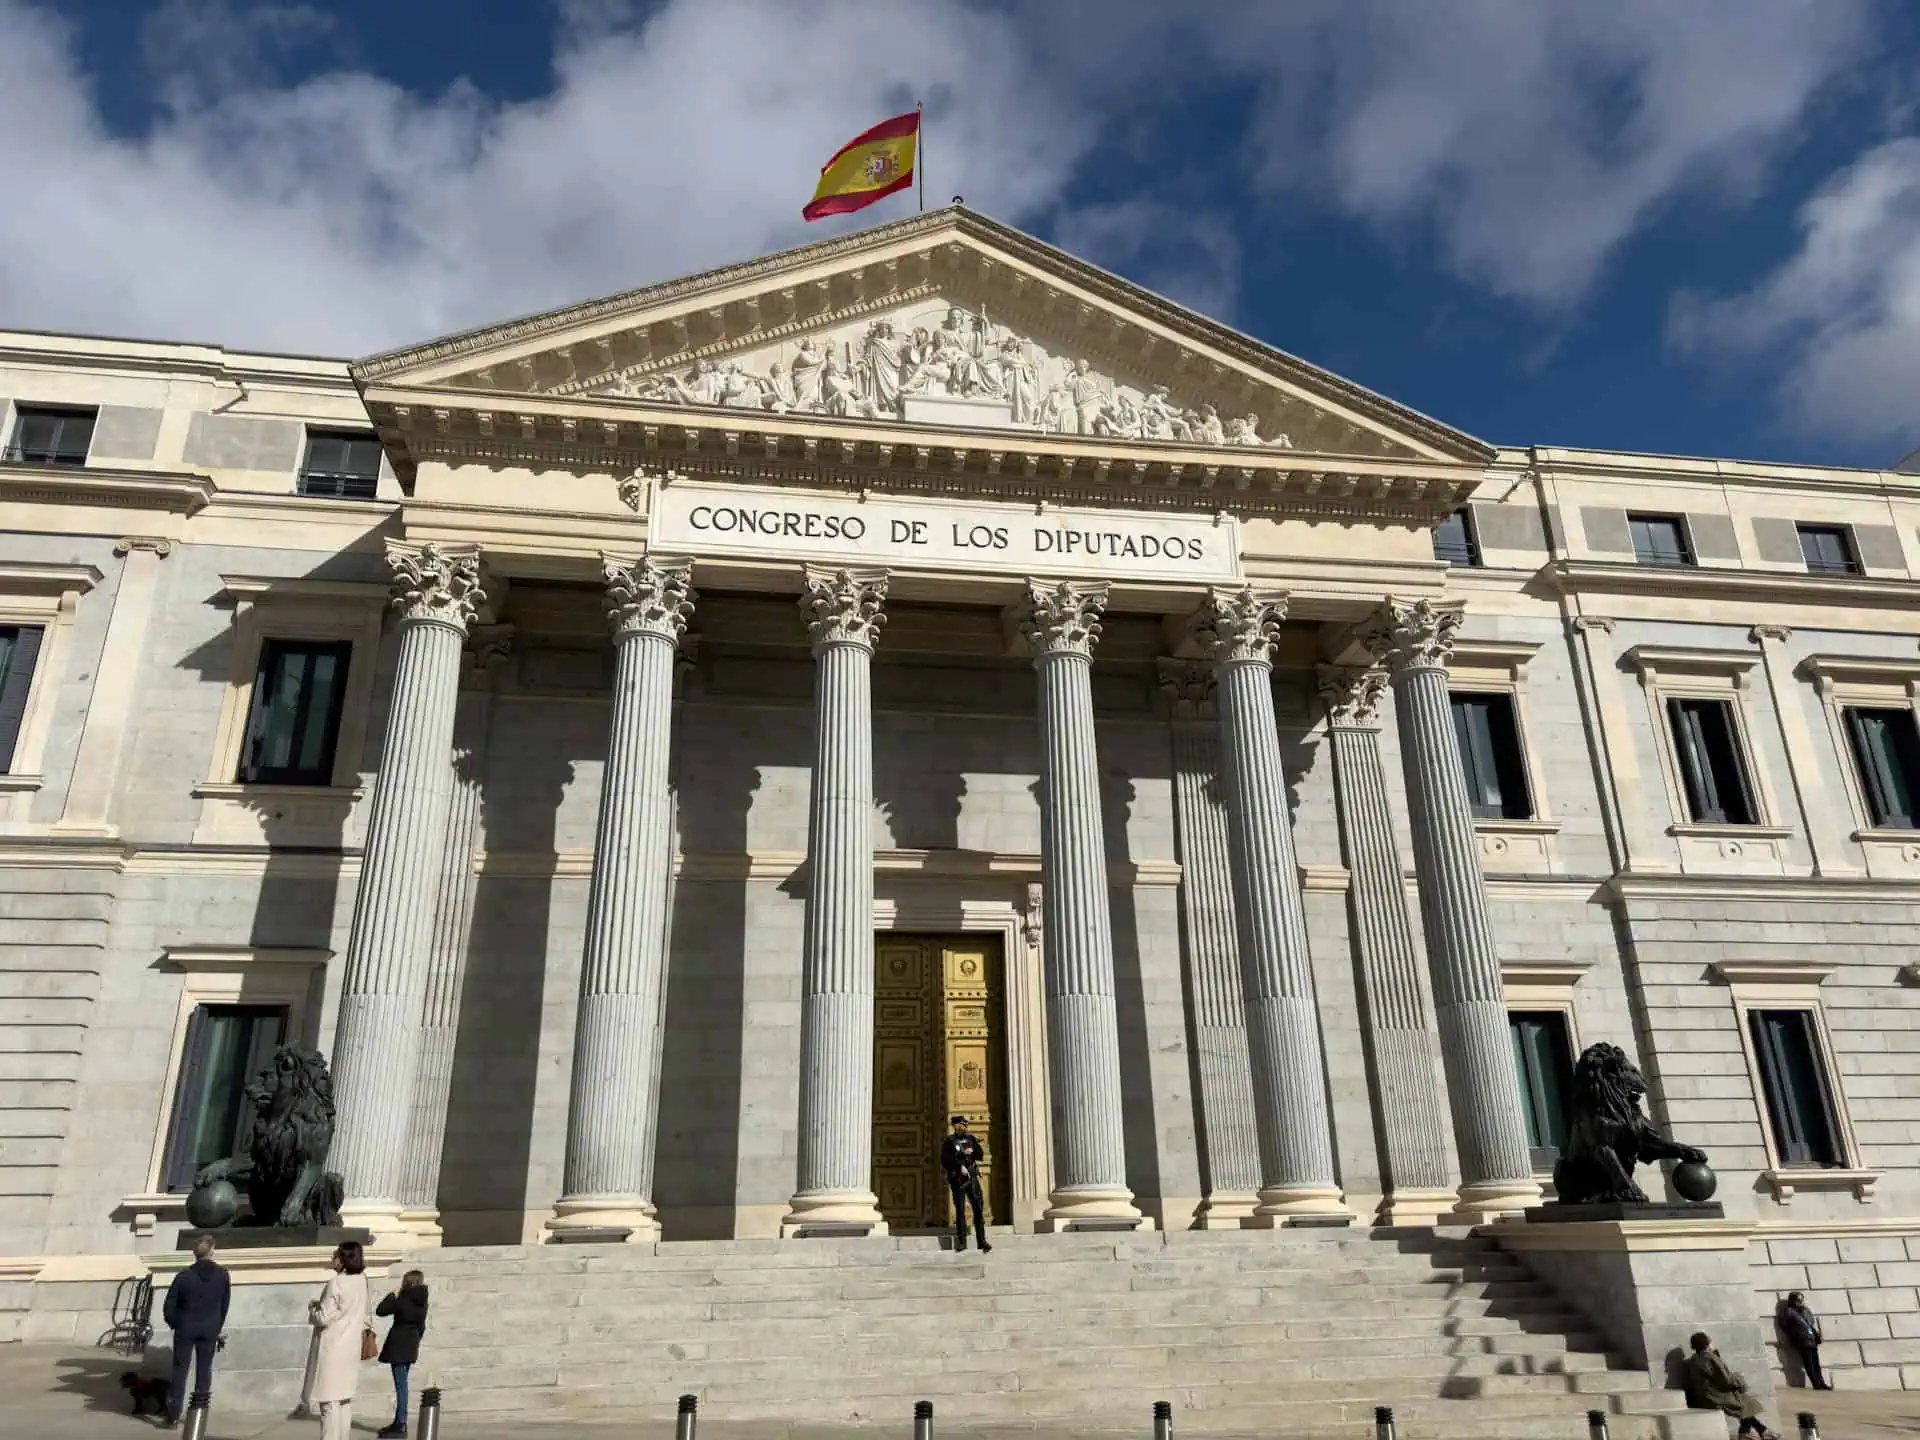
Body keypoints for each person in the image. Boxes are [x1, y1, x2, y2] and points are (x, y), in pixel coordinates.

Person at [160, 1235, 229, 1428]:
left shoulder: (184, 1277)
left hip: (186, 1327)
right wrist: (216, 1326)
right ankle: (199, 1413)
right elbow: (224, 1305)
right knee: (204, 1370)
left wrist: (176, 1323)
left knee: (180, 1370)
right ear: (212, 1251)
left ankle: (173, 1415)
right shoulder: (222, 1275)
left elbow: (169, 1306)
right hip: (209, 1328)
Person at [308, 1240, 371, 1440]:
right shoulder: (361, 1280)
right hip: (351, 1346)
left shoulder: (336, 1283)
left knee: (328, 1403)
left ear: (343, 1259)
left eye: (335, 1255)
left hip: (333, 1347)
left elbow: (323, 1317)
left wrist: (313, 1310)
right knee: (344, 1400)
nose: (332, 1259)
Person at [1682, 1332, 1776, 1437]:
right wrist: (1739, 1376)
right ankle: (1745, 1433)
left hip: (1705, 1395)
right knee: (1745, 1404)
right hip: (1714, 1396)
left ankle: (1762, 1430)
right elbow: (1726, 1380)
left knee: (1744, 1403)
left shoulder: (1695, 1358)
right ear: (1707, 1343)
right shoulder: (1709, 1358)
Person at [375, 1269, 430, 1438]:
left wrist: (390, 1295)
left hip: (398, 1345)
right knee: (402, 1383)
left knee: (401, 1385)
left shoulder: (403, 1299)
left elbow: (381, 1310)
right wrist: (415, 1341)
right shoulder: (422, 1302)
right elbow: (422, 1326)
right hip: (411, 1344)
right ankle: (398, 1421)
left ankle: (400, 1424)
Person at [940, 1115, 990, 1254]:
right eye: (962, 1125)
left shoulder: (971, 1139)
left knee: (978, 1207)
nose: (964, 1127)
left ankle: (982, 1240)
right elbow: (945, 1160)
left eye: (965, 1125)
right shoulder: (949, 1141)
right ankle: (962, 1242)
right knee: (960, 1210)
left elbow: (980, 1155)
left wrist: (973, 1150)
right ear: (955, 1126)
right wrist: (958, 1166)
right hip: (958, 1180)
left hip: (972, 1177)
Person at [1779, 1291, 1831, 1390]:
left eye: (1801, 1300)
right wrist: (1794, 1333)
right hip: (1801, 1339)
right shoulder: (1788, 1311)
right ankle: (1816, 1384)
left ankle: (1822, 1383)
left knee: (1816, 1363)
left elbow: (1811, 1322)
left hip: (1811, 1338)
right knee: (1809, 1364)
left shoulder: (1804, 1310)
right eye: (1798, 1300)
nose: (1800, 1302)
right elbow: (1784, 1325)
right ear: (1793, 1300)